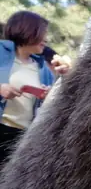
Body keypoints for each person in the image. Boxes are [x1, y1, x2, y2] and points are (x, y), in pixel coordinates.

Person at [0, 11, 56, 164]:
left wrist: (47, 96)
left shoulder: (44, 69)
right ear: (29, 30)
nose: (46, 39)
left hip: (21, 139)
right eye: (43, 33)